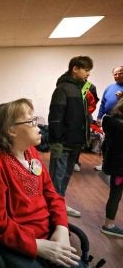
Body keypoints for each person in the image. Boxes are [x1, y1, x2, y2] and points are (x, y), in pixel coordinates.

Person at [0, 98, 82, 268]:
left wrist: (62, 228)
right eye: (31, 121)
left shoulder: (30, 152)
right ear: (11, 130)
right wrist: (37, 246)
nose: (39, 127)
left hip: (47, 234)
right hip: (17, 241)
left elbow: (52, 195)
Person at [48, 56, 93, 217]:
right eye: (86, 70)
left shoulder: (82, 89)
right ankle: (52, 209)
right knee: (56, 177)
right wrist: (56, 140)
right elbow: (55, 117)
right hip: (63, 142)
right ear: (75, 69)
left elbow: (84, 115)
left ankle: (59, 204)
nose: (88, 73)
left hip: (76, 142)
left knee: (66, 175)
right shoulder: (63, 89)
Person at [100, 99, 123, 238]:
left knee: (115, 194)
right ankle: (109, 225)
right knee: (115, 195)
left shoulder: (112, 121)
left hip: (116, 166)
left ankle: (109, 224)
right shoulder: (120, 126)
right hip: (120, 168)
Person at [94, 66, 123, 171]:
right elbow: (103, 103)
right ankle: (105, 164)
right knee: (106, 144)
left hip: (120, 122)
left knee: (118, 145)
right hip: (109, 120)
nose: (117, 75)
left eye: (120, 73)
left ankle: (116, 168)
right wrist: (99, 117)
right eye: (115, 74)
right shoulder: (109, 87)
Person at [74, 81, 99, 172]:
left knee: (79, 141)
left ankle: (75, 161)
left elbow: (93, 103)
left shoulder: (90, 87)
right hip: (70, 118)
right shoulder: (69, 85)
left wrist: (85, 114)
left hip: (84, 118)